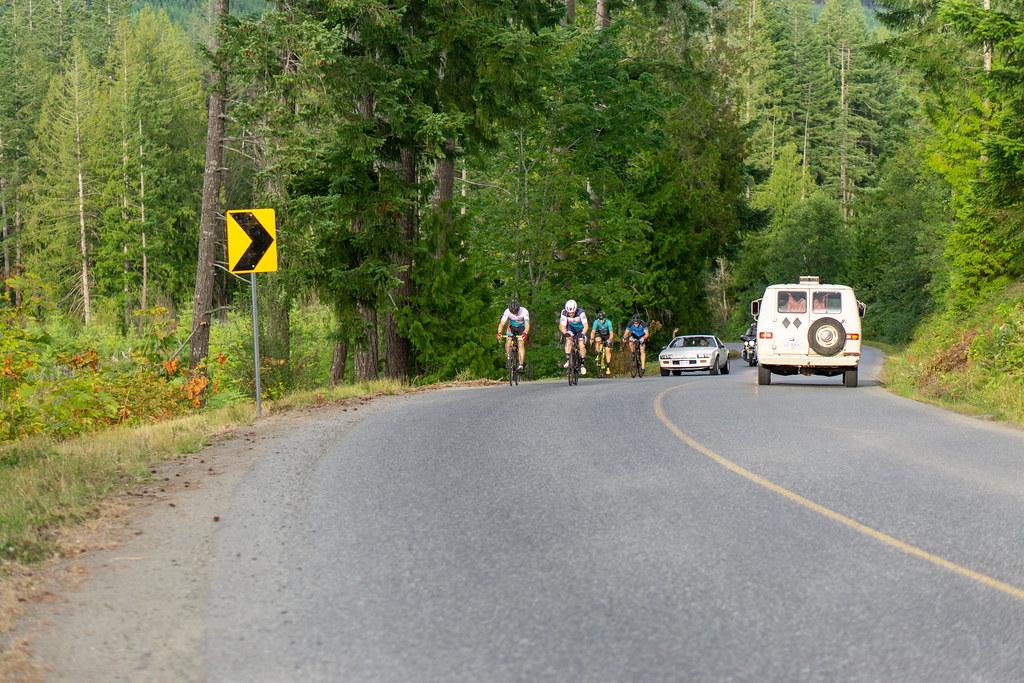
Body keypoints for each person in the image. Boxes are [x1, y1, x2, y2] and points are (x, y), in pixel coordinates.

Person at [497, 299, 530, 373]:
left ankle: (521, 365)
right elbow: (502, 324)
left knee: (521, 343)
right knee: (508, 342)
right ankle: (509, 357)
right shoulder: (507, 311)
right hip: (512, 327)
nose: (515, 314)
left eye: (516, 312)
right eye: (513, 313)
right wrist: (499, 333)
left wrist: (525, 333)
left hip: (522, 327)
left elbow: (527, 325)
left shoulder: (524, 311)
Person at [559, 299, 588, 374]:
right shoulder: (564, 313)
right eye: (570, 313)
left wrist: (582, 333)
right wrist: (565, 333)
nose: (571, 314)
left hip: (581, 328)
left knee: (581, 345)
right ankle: (568, 360)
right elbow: (563, 326)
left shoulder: (581, 312)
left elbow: (586, 326)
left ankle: (582, 364)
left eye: (573, 312)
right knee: (568, 340)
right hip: (571, 328)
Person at [589, 311, 614, 375]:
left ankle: (608, 365)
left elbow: (611, 333)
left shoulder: (608, 322)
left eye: (602, 319)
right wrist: (592, 338)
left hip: (607, 335)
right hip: (600, 334)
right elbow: (593, 332)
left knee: (607, 350)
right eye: (600, 319)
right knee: (597, 340)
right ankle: (598, 353)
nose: (601, 320)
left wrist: (609, 339)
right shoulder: (596, 322)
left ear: (605, 318)